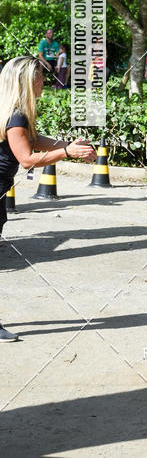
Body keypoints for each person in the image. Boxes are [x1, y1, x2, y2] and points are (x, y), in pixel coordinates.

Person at [0, 56, 96, 342]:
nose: (45, 81)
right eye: (41, 76)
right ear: (27, 82)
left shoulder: (14, 112)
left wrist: (65, 145)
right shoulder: (16, 115)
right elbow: (27, 158)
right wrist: (67, 153)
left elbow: (33, 139)